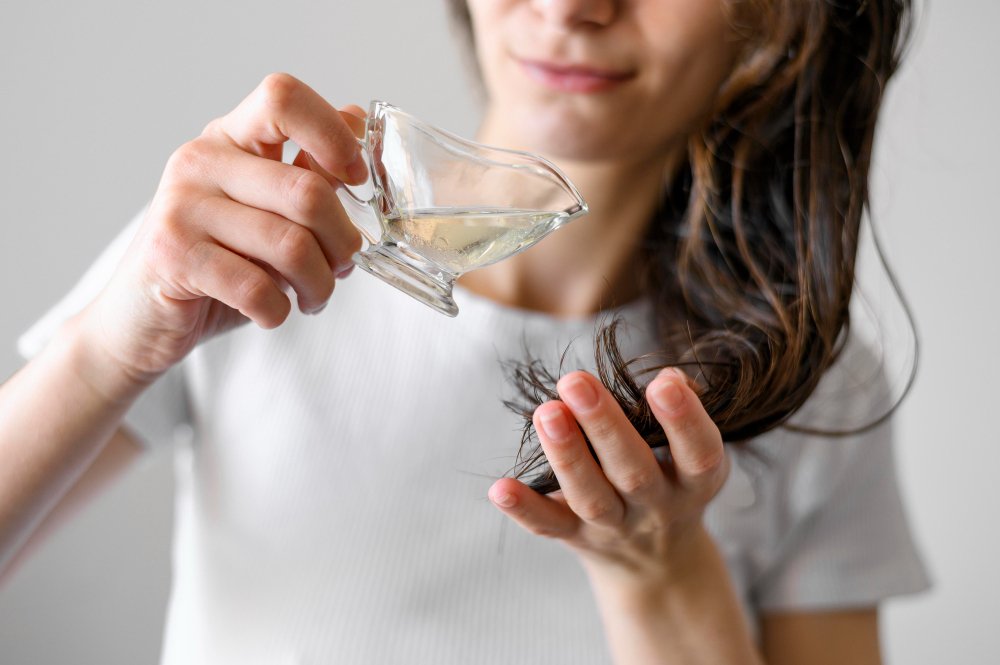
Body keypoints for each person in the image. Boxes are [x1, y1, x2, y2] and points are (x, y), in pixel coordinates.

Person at [0, 0, 930, 663]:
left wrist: (661, 573)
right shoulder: (242, 246)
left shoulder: (810, 387)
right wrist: (108, 350)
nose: (570, 8)